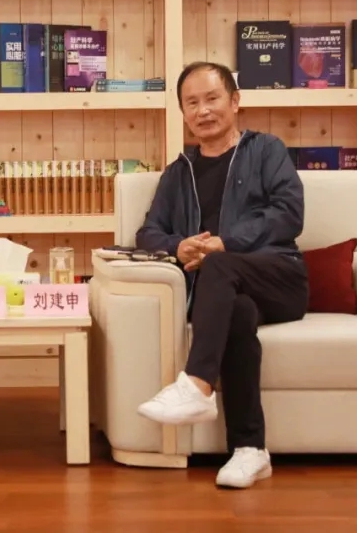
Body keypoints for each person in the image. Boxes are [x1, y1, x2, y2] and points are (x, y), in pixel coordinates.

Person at [134, 61, 309, 490]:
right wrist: (178, 246)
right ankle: (251, 450)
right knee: (238, 314)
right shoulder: (179, 172)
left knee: (220, 263)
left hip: (280, 279)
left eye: (212, 98)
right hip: (224, 293)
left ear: (234, 101)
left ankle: (196, 385)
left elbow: (288, 213)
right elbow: (148, 232)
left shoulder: (266, 151)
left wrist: (224, 243)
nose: (203, 110)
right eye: (192, 103)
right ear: (183, 113)